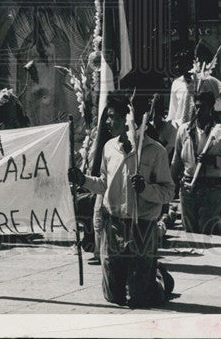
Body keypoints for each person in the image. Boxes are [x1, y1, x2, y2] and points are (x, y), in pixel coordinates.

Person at [69, 92, 175, 308]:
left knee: (139, 299)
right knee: (113, 296)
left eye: (111, 117)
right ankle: (143, 273)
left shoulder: (155, 151)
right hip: (114, 225)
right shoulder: (109, 147)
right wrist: (82, 180)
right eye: (106, 117)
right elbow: (102, 184)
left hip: (142, 226)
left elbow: (168, 192)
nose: (107, 122)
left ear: (128, 118)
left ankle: (158, 277)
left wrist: (145, 189)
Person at [171, 90, 221, 235]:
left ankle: (220, 221)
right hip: (188, 185)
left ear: (211, 107)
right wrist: (171, 183)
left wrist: (214, 160)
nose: (199, 110)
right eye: (196, 106)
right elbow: (177, 159)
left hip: (211, 185)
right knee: (190, 228)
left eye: (203, 106)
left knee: (206, 229)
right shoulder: (184, 130)